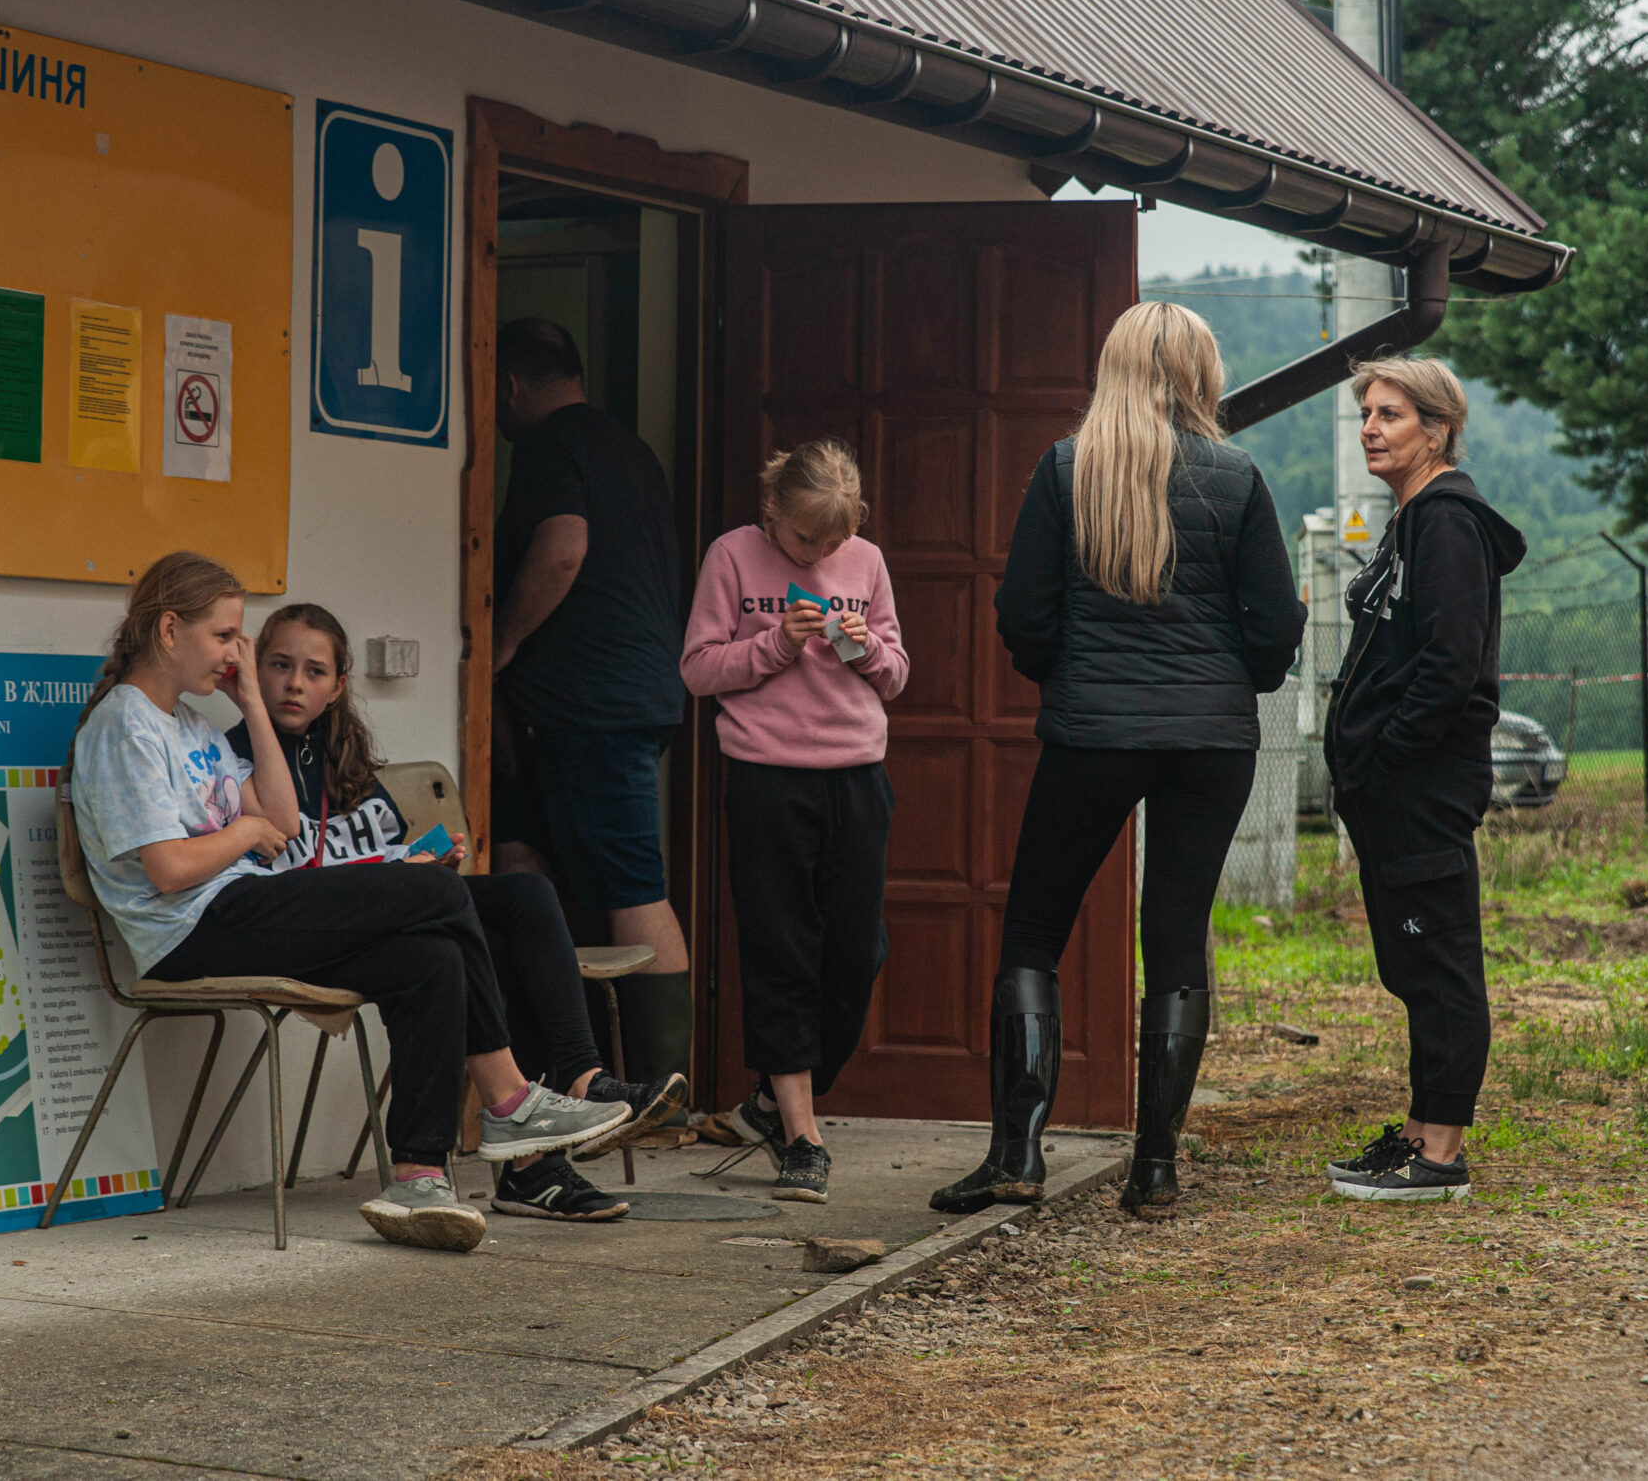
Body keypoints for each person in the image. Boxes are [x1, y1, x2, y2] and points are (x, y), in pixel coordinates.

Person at [64, 551, 633, 1252]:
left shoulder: (191, 725)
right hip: (189, 929)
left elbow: (282, 818)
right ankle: (509, 1099)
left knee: (428, 958)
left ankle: (419, 1177)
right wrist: (243, 833)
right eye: (225, 637)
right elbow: (170, 868)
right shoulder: (126, 725)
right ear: (170, 630)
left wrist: (250, 705)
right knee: (435, 890)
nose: (236, 654)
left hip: (236, 906)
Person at [931, 303, 1306, 1221]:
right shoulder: (1238, 476)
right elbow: (1275, 623)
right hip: (1211, 742)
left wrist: (1069, 676)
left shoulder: (1067, 469)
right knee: (1175, 936)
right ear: (1200, 373)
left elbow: (1024, 615)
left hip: (1093, 735)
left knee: (1034, 932)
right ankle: (1156, 1168)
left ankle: (1017, 1154)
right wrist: (1238, 679)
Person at [225, 602, 690, 1223]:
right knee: (453, 941)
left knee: (524, 900)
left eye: (314, 671)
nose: (293, 683)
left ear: (337, 687)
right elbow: (283, 866)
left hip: (379, 905)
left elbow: (375, 851)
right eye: (280, 666)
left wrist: (419, 862)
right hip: (304, 923)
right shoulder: (235, 755)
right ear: (256, 670)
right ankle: (529, 1154)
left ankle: (581, 1079)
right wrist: (408, 879)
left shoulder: (345, 759)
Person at [680, 440, 909, 1205]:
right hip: (767, 777)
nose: (817, 553)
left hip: (856, 775)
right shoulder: (732, 556)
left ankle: (768, 1105)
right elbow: (698, 669)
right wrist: (775, 644)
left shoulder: (866, 562)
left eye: (833, 539)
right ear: (772, 507)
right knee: (781, 951)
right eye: (805, 537)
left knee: (858, 952)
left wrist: (865, 650)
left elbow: (897, 674)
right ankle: (803, 1138)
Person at [1322, 359, 1524, 1202]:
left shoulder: (1446, 524)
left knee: (1440, 961)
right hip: (1391, 790)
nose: (1371, 427)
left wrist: (1386, 755)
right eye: (1367, 412)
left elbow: (1450, 666)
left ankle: (1442, 1153)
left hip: (1421, 788)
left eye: (1391, 414)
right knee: (1410, 962)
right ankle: (1417, 1128)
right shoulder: (1411, 521)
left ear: (1436, 431)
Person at [491, 317, 693, 1090]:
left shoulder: (548, 446)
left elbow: (563, 548)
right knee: (520, 857)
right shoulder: (632, 450)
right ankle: (555, 1073)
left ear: (509, 386)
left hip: (592, 709)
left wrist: (504, 642)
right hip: (614, 700)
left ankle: (661, 1095)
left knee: (632, 887)